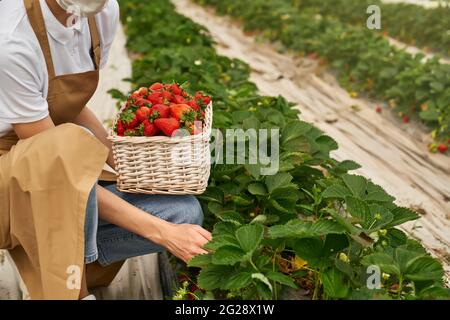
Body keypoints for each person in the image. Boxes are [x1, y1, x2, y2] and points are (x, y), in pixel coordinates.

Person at [0, 0, 211, 300]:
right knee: (70, 144)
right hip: (10, 180)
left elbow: (69, 106)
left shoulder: (101, 13)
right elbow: (58, 167)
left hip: (58, 159)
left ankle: (54, 266)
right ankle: (66, 288)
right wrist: (162, 233)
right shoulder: (12, 38)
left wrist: (130, 168)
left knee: (182, 213)